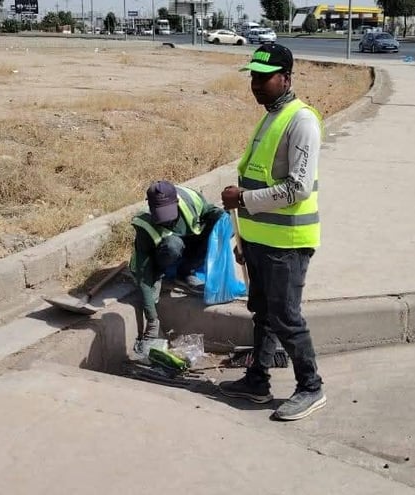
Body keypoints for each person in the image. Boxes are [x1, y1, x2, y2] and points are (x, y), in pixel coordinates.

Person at [218, 43, 326, 421]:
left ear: (286, 78)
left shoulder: (302, 122)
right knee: (262, 313)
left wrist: (243, 198)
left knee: (286, 317)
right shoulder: (271, 116)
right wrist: (244, 238)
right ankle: (257, 381)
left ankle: (311, 387)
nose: (256, 84)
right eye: (253, 77)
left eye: (264, 78)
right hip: (261, 240)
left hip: (288, 244)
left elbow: (298, 188)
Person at [129, 180, 224, 357]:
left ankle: (185, 272)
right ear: (150, 207)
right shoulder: (145, 225)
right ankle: (163, 274)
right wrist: (152, 319)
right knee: (173, 244)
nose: (166, 220)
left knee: (221, 227)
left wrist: (222, 220)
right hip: (164, 254)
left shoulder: (192, 201)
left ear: (177, 202)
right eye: (160, 215)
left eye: (169, 214)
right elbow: (143, 276)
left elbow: (213, 214)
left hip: (189, 245)